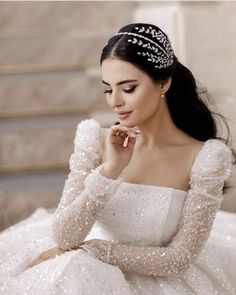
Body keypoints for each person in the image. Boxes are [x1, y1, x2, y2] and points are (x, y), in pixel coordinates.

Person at [0, 22, 236, 295]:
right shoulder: (95, 140)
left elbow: (178, 259)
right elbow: (65, 237)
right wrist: (110, 170)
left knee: (78, 266)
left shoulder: (204, 158)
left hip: (156, 278)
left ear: (164, 82)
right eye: (108, 90)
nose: (115, 102)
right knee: (74, 269)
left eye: (128, 88)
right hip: (85, 267)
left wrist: (97, 251)